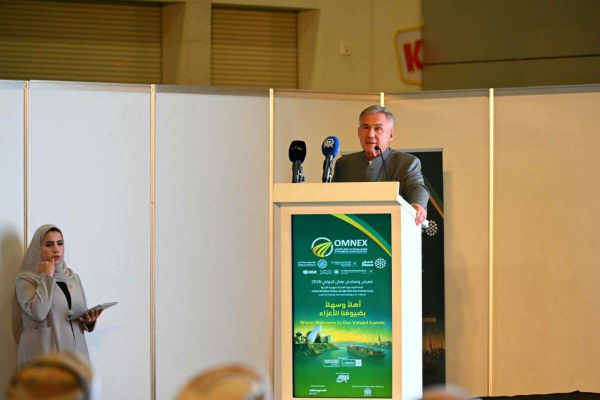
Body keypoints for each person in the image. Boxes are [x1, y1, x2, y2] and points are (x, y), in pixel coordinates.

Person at [12, 224, 102, 368]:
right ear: (38, 248)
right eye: (49, 245)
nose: (56, 249)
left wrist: (89, 322)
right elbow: (39, 313)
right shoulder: (26, 280)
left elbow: (79, 314)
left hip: (76, 358)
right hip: (44, 359)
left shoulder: (73, 278)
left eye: (60, 243)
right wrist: (47, 276)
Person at [332, 105, 429, 225]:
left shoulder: (407, 163)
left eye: (377, 128)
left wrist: (417, 204)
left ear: (391, 134)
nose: (370, 134)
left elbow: (417, 187)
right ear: (359, 132)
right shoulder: (344, 163)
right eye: (365, 128)